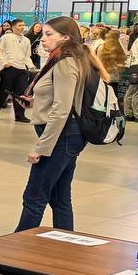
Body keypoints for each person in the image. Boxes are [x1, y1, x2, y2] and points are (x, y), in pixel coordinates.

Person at [15, 16, 99, 232]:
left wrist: (41, 147)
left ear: (66, 37)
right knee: (60, 197)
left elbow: (62, 110)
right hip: (68, 135)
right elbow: (64, 98)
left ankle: (17, 245)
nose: (43, 39)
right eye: (43, 34)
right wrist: (36, 100)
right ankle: (65, 243)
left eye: (49, 34)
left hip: (61, 137)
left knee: (34, 197)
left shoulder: (65, 62)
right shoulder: (69, 58)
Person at [0, 19, 33, 122]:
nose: (22, 27)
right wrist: (4, 63)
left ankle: (19, 115)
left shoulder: (26, 40)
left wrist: (31, 66)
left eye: (23, 25)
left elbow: (27, 56)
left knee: (20, 94)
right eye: (20, 25)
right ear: (13, 27)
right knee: (3, 92)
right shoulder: (6, 37)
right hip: (9, 69)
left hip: (22, 69)